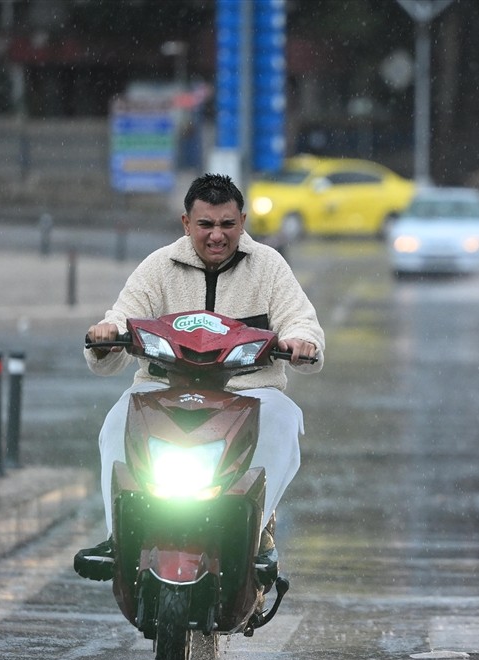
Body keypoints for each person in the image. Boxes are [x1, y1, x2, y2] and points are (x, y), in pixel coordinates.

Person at [77, 173, 325, 584]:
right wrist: (106, 336)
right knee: (116, 420)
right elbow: (124, 314)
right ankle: (115, 538)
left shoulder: (269, 267)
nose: (216, 236)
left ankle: (257, 531)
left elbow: (300, 320)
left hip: (251, 392)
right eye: (206, 225)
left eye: (227, 225)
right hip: (163, 389)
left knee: (285, 418)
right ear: (186, 223)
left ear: (242, 223)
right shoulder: (157, 266)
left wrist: (302, 341)